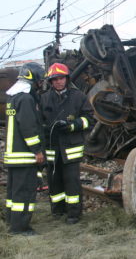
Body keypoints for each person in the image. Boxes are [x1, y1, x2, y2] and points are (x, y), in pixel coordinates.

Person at [40, 62, 94, 225]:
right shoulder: (44, 98)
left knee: (72, 183)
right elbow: (39, 121)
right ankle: (57, 211)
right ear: (51, 81)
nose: (58, 82)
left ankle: (74, 214)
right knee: (54, 182)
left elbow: (90, 119)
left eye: (61, 78)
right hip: (52, 148)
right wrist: (46, 128)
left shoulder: (78, 97)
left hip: (70, 148)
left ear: (67, 79)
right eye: (55, 79)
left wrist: (72, 125)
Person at [3, 62, 46, 235]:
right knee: (25, 193)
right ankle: (20, 228)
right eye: (39, 80)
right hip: (25, 156)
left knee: (14, 192)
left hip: (13, 155)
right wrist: (37, 150)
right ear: (33, 79)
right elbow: (28, 128)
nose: (40, 84)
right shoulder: (26, 99)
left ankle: (11, 220)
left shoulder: (13, 97)